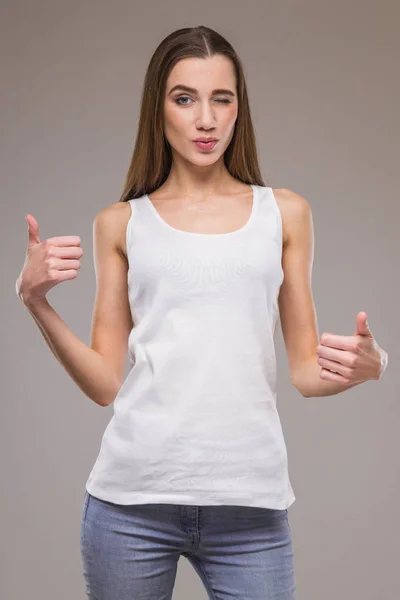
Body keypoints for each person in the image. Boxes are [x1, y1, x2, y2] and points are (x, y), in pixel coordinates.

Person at [16, 24, 388, 600]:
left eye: (222, 99)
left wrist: (374, 364)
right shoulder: (121, 223)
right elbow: (104, 383)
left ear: (240, 109)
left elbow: (306, 371)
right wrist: (35, 302)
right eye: (185, 98)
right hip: (130, 506)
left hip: (250, 508)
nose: (206, 119)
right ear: (158, 108)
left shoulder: (285, 214)